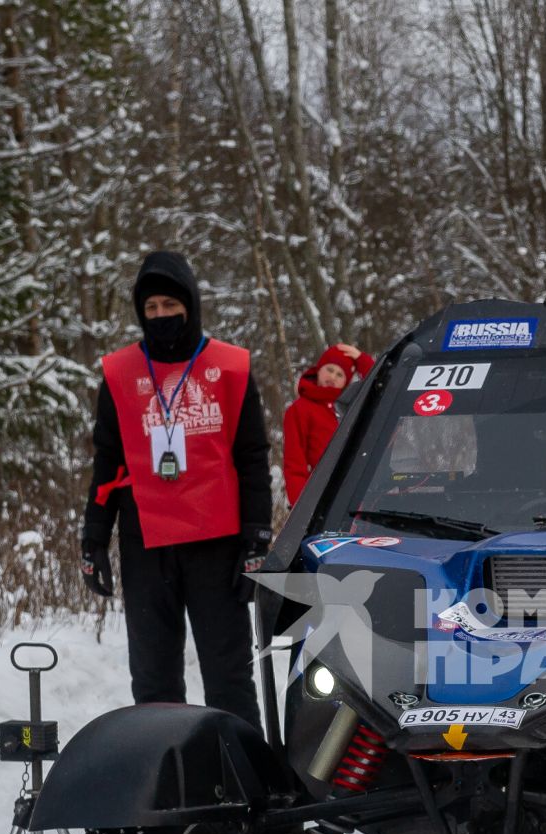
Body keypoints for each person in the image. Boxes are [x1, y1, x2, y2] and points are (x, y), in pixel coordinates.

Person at [79, 251, 272, 727]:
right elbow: (107, 460)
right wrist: (93, 538)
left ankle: (250, 781)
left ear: (191, 303)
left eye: (170, 303)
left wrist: (257, 536)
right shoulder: (121, 373)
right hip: (146, 543)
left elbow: (252, 457)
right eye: (151, 308)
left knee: (229, 676)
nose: (162, 315)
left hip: (218, 544)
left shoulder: (229, 368)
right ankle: (167, 778)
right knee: (153, 682)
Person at [281, 343, 374, 504]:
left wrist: (362, 360)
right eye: (330, 370)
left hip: (357, 492)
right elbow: (294, 465)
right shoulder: (299, 410)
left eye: (340, 375)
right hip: (320, 497)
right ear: (319, 369)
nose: (332, 377)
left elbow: (381, 388)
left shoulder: (352, 405)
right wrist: (301, 507)